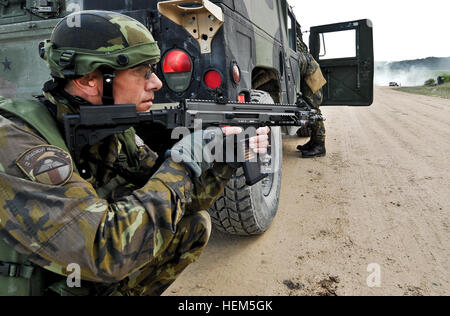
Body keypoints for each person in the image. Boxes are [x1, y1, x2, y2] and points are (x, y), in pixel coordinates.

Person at [0, 11, 269, 296]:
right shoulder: (17, 142)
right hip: (72, 266)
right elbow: (104, 251)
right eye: (143, 72)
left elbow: (181, 203)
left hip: (70, 272)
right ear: (90, 80)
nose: (156, 83)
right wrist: (183, 162)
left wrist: (225, 159)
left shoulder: (111, 128)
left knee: (192, 225)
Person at [295, 24, 327, 158]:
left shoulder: (297, 48)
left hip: (312, 76)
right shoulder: (297, 43)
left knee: (313, 111)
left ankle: (319, 146)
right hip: (310, 74)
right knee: (311, 110)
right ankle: (313, 142)